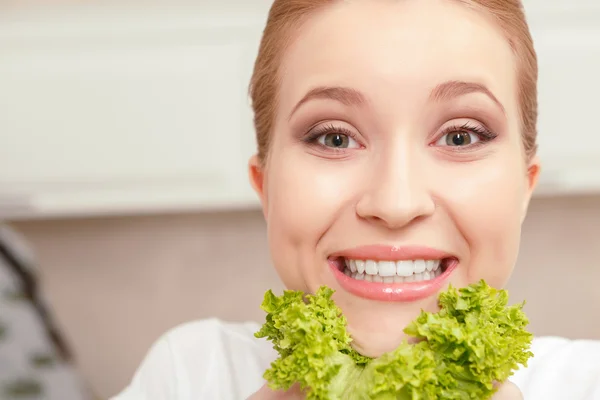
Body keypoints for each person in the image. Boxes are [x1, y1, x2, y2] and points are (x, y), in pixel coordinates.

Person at [112, 0, 600, 399]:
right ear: (266, 188)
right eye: (335, 138)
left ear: (524, 187)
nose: (395, 202)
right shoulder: (190, 374)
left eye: (459, 137)